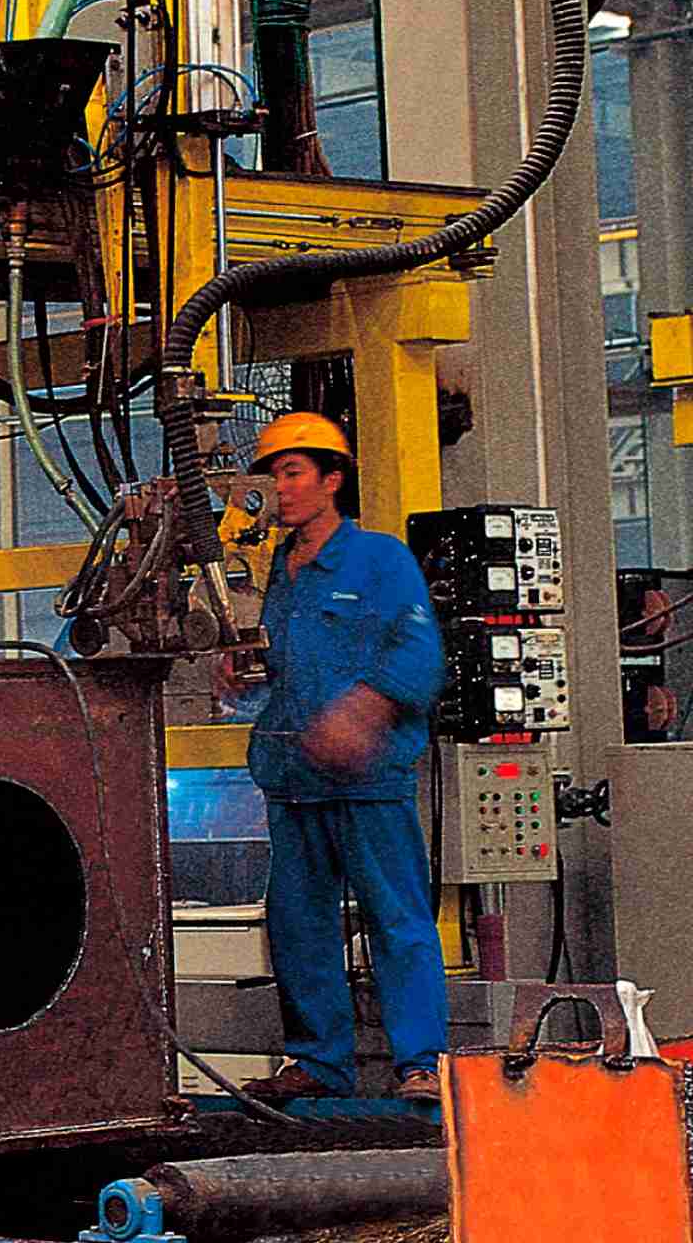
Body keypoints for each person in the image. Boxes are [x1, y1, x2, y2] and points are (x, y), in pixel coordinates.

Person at [234, 413, 448, 1108]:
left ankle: (423, 1062)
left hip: (367, 781)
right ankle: (318, 1062)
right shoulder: (272, 573)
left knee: (397, 920)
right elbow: (272, 670)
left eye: (293, 472)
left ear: (332, 479)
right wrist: (235, 675)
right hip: (293, 779)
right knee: (298, 926)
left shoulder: (380, 560)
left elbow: (420, 654)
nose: (279, 488)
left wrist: (364, 708)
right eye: (272, 475)